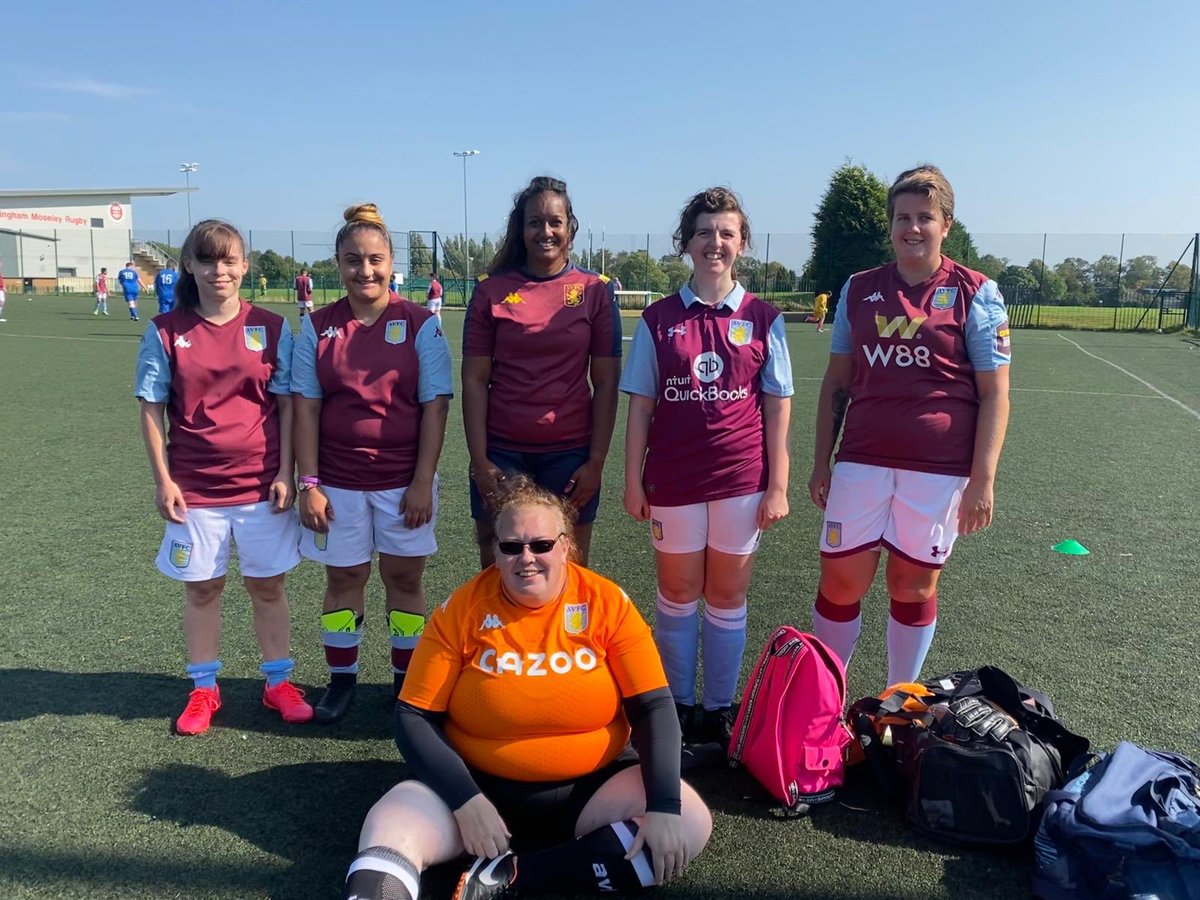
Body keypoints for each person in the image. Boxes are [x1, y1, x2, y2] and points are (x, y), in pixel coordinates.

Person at [341, 475, 712, 900]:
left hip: (593, 787)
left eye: (541, 544)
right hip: (478, 785)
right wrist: (467, 801)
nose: (527, 558)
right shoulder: (462, 610)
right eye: (511, 547)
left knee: (688, 822)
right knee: (387, 825)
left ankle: (515, 880)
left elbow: (652, 708)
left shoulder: (606, 603)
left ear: (566, 546)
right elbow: (413, 716)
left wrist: (663, 807)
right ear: (495, 553)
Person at [808, 164, 1012, 687]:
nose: (913, 228)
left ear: (946, 223)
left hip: (938, 470)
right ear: (891, 225)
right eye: (903, 217)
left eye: (925, 217)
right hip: (861, 459)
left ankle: (899, 705)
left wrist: (982, 481)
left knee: (912, 586)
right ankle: (828, 705)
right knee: (840, 582)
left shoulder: (977, 292)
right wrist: (820, 462)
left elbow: (994, 394)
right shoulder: (858, 289)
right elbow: (837, 383)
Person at [621, 187, 793, 746]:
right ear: (686, 243)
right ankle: (676, 702)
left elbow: (777, 404)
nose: (714, 242)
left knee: (727, 595)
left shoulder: (765, 319)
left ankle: (718, 708)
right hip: (672, 479)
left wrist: (779, 484)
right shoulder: (657, 319)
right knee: (676, 591)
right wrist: (631, 479)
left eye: (726, 233)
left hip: (742, 480)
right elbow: (641, 405)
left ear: (742, 243)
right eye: (703, 232)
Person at [134, 219, 312, 736]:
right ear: (189, 264)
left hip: (261, 487)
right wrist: (163, 480)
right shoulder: (166, 330)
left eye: (230, 260)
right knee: (203, 590)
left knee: (268, 586)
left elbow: (285, 406)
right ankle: (204, 689)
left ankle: (278, 683)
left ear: (245, 265)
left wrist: (286, 471)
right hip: (196, 490)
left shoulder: (273, 328)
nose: (220, 270)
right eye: (208, 260)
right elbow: (151, 410)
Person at [292, 203, 453, 724]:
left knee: (404, 582)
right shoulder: (316, 328)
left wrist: (423, 481)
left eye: (376, 259)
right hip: (337, 484)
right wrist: (308, 483)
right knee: (345, 580)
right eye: (353, 260)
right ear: (337, 265)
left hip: (402, 484)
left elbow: (435, 407)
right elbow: (306, 409)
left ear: (392, 263)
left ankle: (407, 684)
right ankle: (342, 682)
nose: (366, 271)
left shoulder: (422, 326)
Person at [462, 175, 621, 569]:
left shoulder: (595, 291)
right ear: (521, 228)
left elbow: (606, 383)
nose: (545, 231)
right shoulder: (490, 291)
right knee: (499, 562)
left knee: (569, 565)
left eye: (555, 222)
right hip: (501, 451)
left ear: (570, 227)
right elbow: (474, 379)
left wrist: (596, 461)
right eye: (535, 222)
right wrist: (479, 459)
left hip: (569, 454)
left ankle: (566, 634)